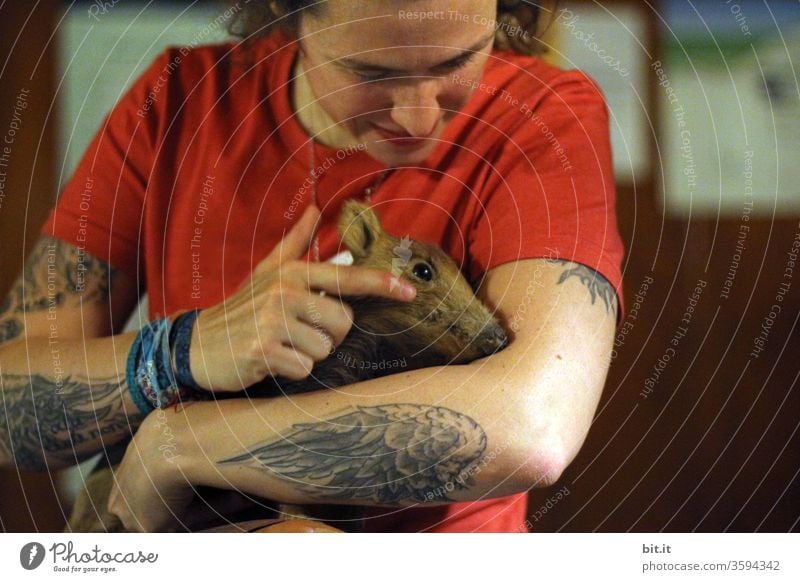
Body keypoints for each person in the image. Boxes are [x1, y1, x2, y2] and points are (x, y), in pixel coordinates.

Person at [0, 0, 624, 533]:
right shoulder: (180, 102)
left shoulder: (541, 115)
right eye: (370, 71)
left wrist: (176, 447)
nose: (418, 117)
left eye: (457, 61)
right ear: (286, 11)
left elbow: (532, 427)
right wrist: (178, 351)